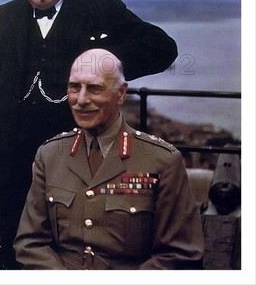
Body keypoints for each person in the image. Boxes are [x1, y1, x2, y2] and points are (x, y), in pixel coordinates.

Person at [0, 0, 179, 267]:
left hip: (77, 169)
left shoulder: (100, 8)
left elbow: (162, 48)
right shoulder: (4, 16)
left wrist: (106, 63)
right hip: (11, 177)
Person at [14, 48, 204, 269]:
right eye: (74, 87)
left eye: (94, 88)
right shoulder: (50, 155)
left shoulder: (162, 161)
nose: (81, 100)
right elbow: (30, 243)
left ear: (121, 93)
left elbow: (181, 254)